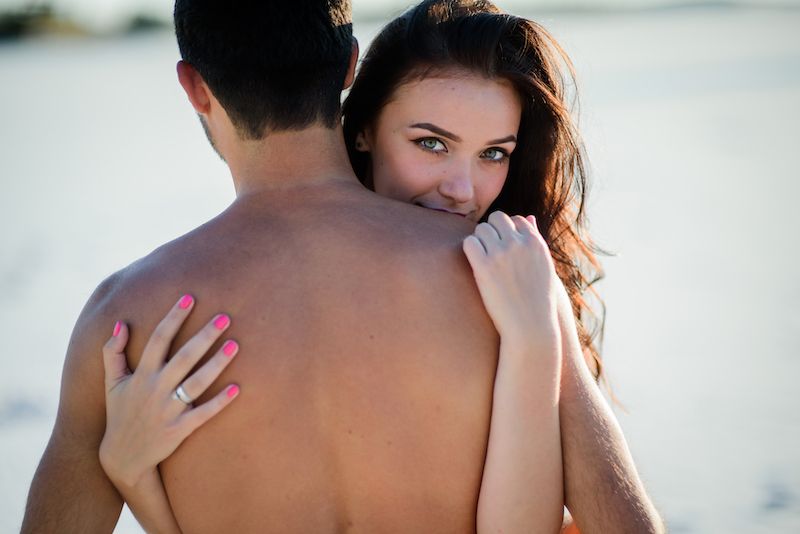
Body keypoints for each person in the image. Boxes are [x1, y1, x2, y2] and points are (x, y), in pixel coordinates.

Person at [22, 1, 663, 533]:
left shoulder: (122, 321)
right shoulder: (507, 281)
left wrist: (130, 475)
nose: (462, 188)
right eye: (433, 144)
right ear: (351, 68)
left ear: (194, 87)